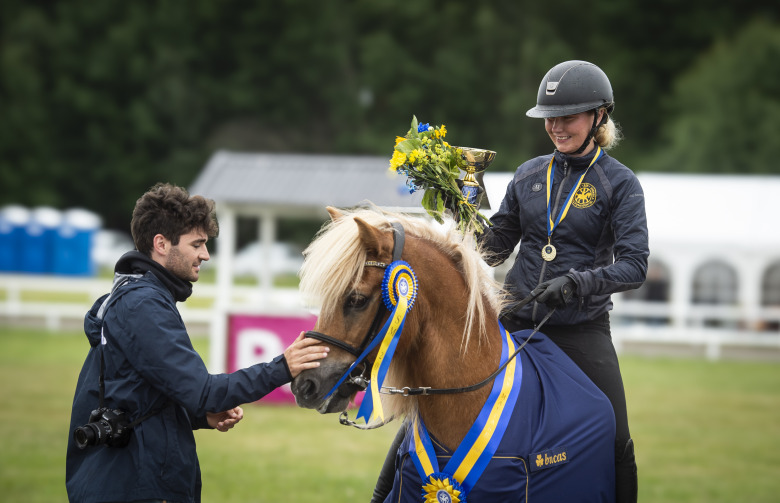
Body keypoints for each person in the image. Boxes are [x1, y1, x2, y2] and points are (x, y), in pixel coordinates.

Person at [66, 182, 330, 503]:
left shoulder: (139, 297)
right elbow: (204, 392)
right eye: (197, 244)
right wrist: (283, 367)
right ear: (161, 244)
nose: (205, 255)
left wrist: (199, 417)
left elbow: (134, 396)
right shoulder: (143, 304)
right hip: (136, 486)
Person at [480, 60, 648, 502]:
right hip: (513, 320)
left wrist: (575, 284)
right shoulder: (528, 174)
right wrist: (461, 216)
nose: (555, 127)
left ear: (599, 116)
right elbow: (494, 247)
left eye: (567, 116)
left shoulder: (621, 184)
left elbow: (635, 266)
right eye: (549, 117)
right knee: (439, 403)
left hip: (580, 330)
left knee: (616, 435)